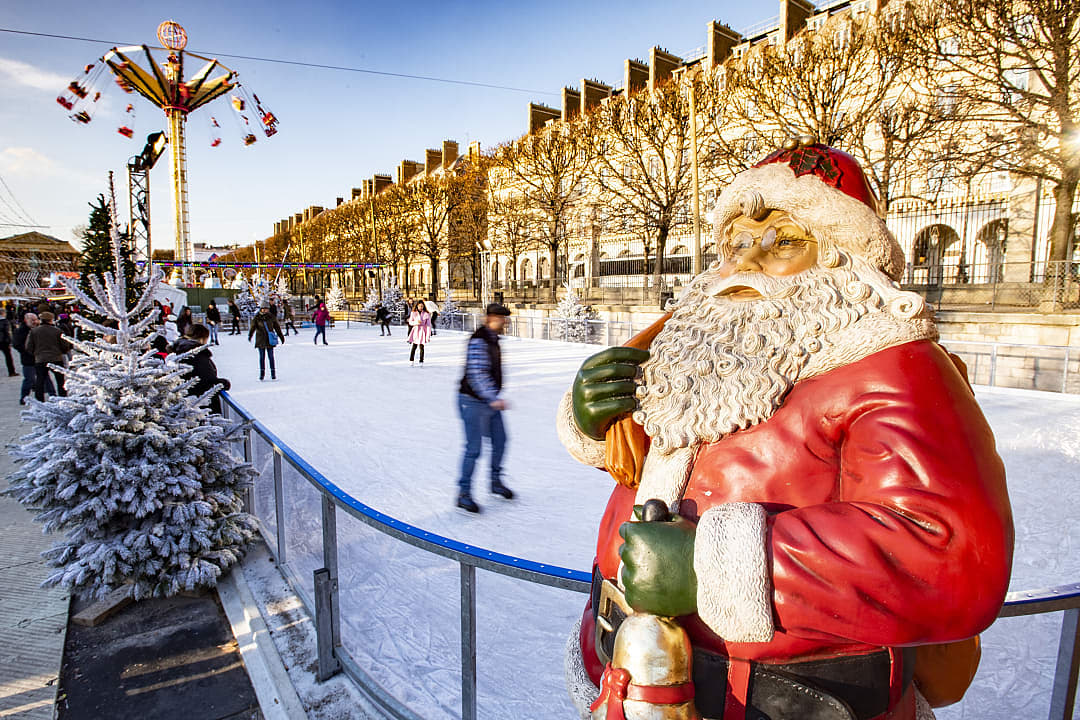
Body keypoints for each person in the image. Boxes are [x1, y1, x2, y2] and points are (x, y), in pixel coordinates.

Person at [558, 141, 1013, 720]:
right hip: (624, 671)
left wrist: (711, 564)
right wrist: (596, 420)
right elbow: (679, 464)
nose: (746, 262)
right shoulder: (700, 340)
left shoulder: (894, 368)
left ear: (843, 256)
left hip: (771, 699)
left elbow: (944, 548)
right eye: (738, 243)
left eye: (783, 242)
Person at [455, 303, 514, 513]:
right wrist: (493, 398)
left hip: (488, 401)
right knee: (474, 449)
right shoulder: (479, 339)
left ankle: (495, 482)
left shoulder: (493, 339)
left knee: (500, 441)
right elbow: (477, 373)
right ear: (491, 318)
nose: (505, 323)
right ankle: (463, 494)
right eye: (502, 319)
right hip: (472, 401)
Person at [170, 323, 231, 414]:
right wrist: (223, 383)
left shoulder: (179, 350)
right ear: (202, 339)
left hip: (185, 400)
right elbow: (207, 380)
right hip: (201, 405)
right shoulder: (198, 355)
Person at [26, 311, 71, 401]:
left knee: (40, 380)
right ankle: (63, 397)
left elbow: (28, 346)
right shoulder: (57, 331)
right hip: (56, 358)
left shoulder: (34, 331)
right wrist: (62, 352)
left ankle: (40, 399)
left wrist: (35, 353)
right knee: (60, 380)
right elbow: (65, 345)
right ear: (51, 320)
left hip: (40, 359)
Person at [13, 313, 51, 403]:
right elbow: (17, 344)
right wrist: (27, 351)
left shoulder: (40, 329)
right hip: (28, 359)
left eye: (36, 319)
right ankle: (24, 398)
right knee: (29, 379)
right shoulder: (21, 331)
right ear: (26, 320)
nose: (35, 322)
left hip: (40, 358)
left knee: (46, 377)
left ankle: (52, 394)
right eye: (32, 320)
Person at [248, 303, 284, 381]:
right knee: (262, 358)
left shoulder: (271, 317)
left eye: (266, 309)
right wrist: (250, 335)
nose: (265, 310)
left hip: (269, 340)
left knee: (271, 357)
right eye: (263, 309)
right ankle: (262, 374)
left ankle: (273, 373)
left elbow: (277, 327)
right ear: (261, 309)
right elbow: (253, 327)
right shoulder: (257, 317)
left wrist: (281, 336)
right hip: (260, 339)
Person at [406, 300, 432, 366]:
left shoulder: (426, 314)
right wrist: (416, 322)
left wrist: (428, 334)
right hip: (416, 330)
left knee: (421, 347)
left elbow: (428, 325)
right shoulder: (413, 313)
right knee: (414, 346)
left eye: (422, 306)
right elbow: (410, 322)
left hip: (422, 331)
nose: (421, 307)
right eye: (420, 306)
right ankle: (411, 360)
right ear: (417, 306)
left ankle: (421, 361)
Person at [0, 308, 16, 377]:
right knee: (8, 357)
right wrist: (9, 341)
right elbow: (7, 332)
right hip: (3, 341)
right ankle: (11, 371)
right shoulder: (5, 321)